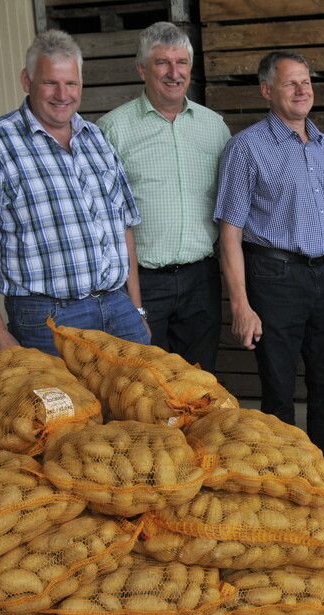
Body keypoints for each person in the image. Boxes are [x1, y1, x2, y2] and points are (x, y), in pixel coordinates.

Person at [213, 51, 324, 511]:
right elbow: (229, 233)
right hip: (273, 276)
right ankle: (285, 490)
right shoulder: (246, 148)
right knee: (279, 390)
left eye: (306, 82)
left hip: (323, 277)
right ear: (267, 91)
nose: (303, 90)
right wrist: (241, 305)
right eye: (291, 84)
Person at [0, 30, 148, 355]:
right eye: (49, 82)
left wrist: (136, 310)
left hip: (117, 307)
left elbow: (124, 226)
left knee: (139, 402)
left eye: (71, 83)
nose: (62, 94)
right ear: (27, 81)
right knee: (64, 407)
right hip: (48, 318)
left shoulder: (97, 139)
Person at [97, 22, 230, 373]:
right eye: (162, 63)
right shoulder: (113, 129)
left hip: (201, 278)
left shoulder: (213, 126)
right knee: (143, 383)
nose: (174, 73)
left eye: (181, 62)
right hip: (140, 283)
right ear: (142, 69)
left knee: (200, 381)